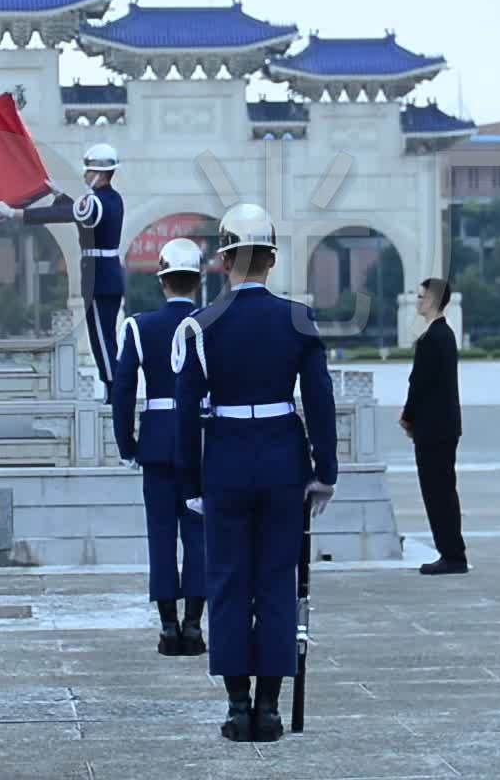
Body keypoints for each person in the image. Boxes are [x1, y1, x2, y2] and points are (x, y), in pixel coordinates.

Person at [172, 204, 337, 743]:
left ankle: (237, 704)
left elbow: (185, 415)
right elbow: (318, 401)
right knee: (274, 582)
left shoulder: (201, 325)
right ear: (270, 258)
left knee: (227, 583)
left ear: (223, 263)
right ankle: (269, 708)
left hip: (224, 464)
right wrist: (325, 471)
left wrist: (190, 483)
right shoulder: (298, 318)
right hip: (283, 463)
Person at [110, 237, 209, 657]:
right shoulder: (213, 323)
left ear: (162, 281)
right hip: (201, 442)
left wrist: (128, 443)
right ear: (198, 281)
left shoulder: (138, 326)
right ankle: (193, 625)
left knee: (161, 535)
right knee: (200, 535)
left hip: (155, 441)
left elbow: (123, 392)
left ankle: (168, 627)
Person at [0, 142, 124, 396]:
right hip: (109, 274)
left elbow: (62, 216)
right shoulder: (112, 200)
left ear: (102, 174)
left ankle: (115, 392)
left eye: (90, 171)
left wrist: (15, 213)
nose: (85, 176)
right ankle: (113, 389)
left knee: (102, 341)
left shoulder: (94, 202)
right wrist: (61, 196)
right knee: (106, 338)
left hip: (99, 277)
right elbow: (76, 212)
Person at [401, 278, 468, 575]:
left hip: (433, 429)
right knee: (443, 490)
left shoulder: (432, 339)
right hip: (444, 427)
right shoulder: (446, 335)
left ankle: (452, 555)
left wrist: (407, 416)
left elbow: (420, 385)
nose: (417, 301)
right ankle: (452, 552)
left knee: (437, 493)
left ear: (434, 300)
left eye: (421, 296)